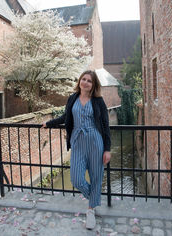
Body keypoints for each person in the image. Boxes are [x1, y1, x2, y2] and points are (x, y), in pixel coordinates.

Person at [42, 70, 111, 230]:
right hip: (77, 142)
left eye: (89, 81)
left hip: (95, 141)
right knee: (76, 179)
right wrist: (49, 123)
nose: (86, 82)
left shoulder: (98, 101)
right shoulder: (72, 98)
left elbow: (106, 126)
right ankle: (95, 198)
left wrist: (107, 149)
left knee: (96, 176)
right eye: (84, 79)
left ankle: (91, 211)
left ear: (93, 85)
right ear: (79, 81)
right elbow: (66, 117)